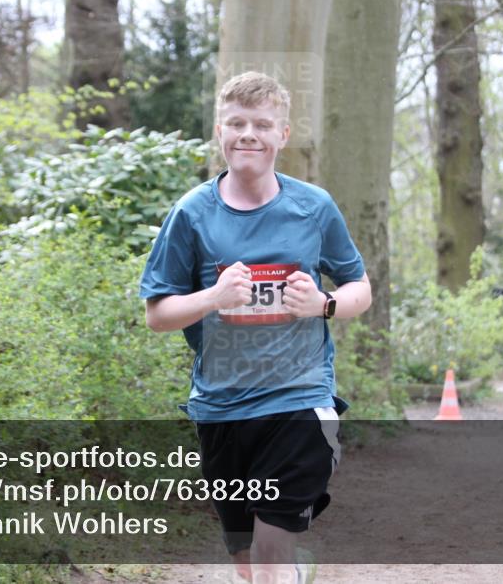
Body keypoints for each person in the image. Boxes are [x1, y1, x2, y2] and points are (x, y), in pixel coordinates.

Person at [140, 71, 371, 584]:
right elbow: (158, 314)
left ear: (282, 136)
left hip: (299, 399)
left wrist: (324, 304)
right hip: (221, 406)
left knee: (269, 551)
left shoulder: (313, 206)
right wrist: (214, 297)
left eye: (263, 124)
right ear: (219, 131)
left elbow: (360, 287)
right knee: (247, 560)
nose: (249, 133)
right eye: (237, 123)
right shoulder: (192, 213)